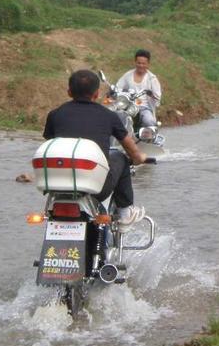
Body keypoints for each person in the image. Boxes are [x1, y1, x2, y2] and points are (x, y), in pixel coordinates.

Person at [43, 69, 147, 229]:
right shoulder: (109, 116)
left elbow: (53, 145)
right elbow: (131, 148)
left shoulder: (55, 115)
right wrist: (139, 158)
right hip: (96, 186)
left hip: (57, 186)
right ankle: (126, 213)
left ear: (69, 92)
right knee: (120, 157)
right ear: (97, 93)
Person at [116, 49, 162, 127]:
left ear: (148, 64)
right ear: (135, 62)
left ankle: (149, 137)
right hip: (127, 107)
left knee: (149, 122)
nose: (141, 65)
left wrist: (151, 94)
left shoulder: (152, 79)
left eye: (144, 63)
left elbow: (157, 97)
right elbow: (118, 87)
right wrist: (113, 92)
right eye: (139, 63)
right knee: (114, 118)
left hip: (144, 108)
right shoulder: (128, 75)